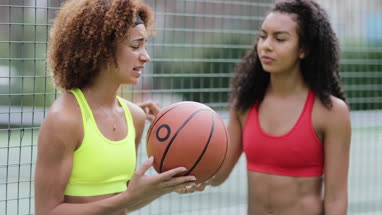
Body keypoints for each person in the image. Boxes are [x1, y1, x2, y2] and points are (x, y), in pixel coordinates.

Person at [34, 0, 196, 215]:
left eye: (145, 45)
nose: (146, 56)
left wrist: (161, 187)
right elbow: (47, 212)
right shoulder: (64, 119)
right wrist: (128, 198)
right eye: (135, 46)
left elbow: (125, 202)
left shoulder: (135, 117)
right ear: (101, 49)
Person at [208, 0, 352, 214]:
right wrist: (178, 128)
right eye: (263, 36)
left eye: (280, 38)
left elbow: (336, 199)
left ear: (303, 49)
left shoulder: (331, 112)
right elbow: (217, 176)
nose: (266, 45)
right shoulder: (245, 103)